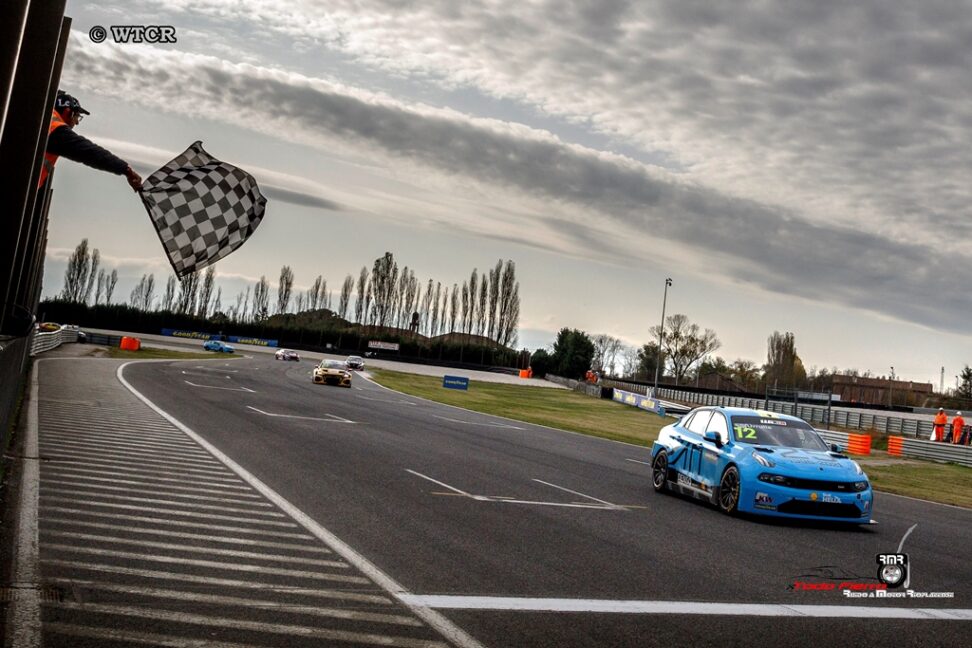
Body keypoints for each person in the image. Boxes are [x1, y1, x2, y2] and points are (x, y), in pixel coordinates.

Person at [39, 91, 142, 192]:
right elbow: (89, 152)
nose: (77, 122)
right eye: (77, 116)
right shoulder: (55, 128)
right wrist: (126, 170)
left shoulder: (44, 119)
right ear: (68, 112)